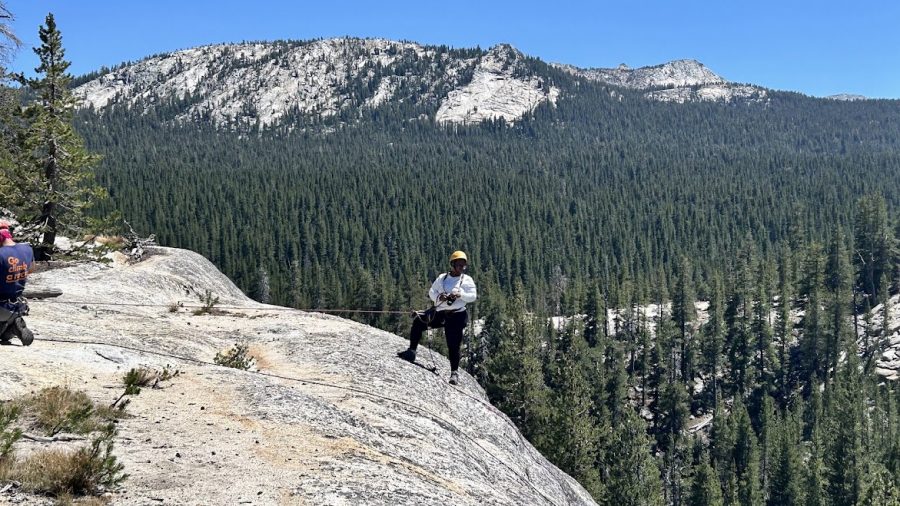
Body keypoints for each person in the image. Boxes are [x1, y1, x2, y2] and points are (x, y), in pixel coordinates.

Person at [398, 250, 477, 385]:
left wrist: (460, 294)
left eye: (464, 266)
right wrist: (438, 297)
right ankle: (411, 351)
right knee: (418, 322)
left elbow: (473, 296)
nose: (462, 268)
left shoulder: (467, 280)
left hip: (457, 316)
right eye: (459, 265)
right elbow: (432, 292)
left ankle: (454, 373)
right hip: (441, 312)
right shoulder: (442, 278)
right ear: (452, 265)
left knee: (453, 345)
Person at [0, 221, 34, 345]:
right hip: (18, 305)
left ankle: (8, 328)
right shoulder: (27, 249)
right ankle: (11, 327)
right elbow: (30, 269)